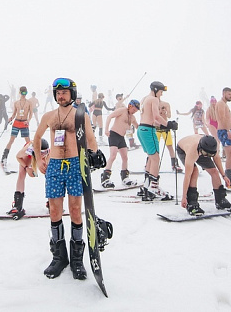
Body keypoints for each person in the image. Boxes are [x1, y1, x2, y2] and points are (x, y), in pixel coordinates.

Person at [31, 78, 103, 281]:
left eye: (64, 92)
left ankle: (77, 259)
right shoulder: (49, 116)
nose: (61, 95)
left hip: (74, 165)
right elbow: (36, 138)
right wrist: (39, 158)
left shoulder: (80, 115)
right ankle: (59, 257)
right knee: (54, 210)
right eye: (58, 92)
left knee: (74, 211)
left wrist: (94, 154)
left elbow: (90, 139)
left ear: (72, 93)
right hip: (54, 165)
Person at [177, 134, 231, 215]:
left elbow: (216, 158)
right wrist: (184, 197)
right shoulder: (193, 150)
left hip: (202, 149)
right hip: (184, 149)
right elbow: (187, 176)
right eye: (205, 154)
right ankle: (191, 202)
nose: (206, 156)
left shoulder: (214, 147)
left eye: (210, 155)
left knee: (214, 172)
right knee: (194, 172)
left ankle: (221, 201)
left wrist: (224, 176)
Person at [137, 81, 171, 200]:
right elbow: (156, 117)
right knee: (156, 158)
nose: (161, 95)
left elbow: (151, 118)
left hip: (142, 129)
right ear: (156, 90)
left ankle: (146, 187)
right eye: (161, 92)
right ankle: (154, 187)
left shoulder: (145, 99)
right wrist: (169, 124)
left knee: (151, 158)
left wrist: (163, 125)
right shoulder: (154, 99)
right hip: (148, 130)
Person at [100, 99, 140, 188]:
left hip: (121, 137)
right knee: (113, 156)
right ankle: (105, 177)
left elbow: (137, 126)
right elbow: (110, 116)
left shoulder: (132, 117)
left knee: (125, 157)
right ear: (130, 106)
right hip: (114, 134)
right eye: (134, 110)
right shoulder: (122, 110)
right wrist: (106, 129)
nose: (134, 112)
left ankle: (125, 177)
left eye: (136, 111)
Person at [8, 138, 50, 218]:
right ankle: (18, 205)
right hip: (30, 156)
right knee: (22, 173)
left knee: (49, 173)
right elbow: (18, 157)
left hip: (39, 154)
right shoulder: (28, 150)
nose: (43, 154)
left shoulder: (47, 154)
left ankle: (51, 201)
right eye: (41, 153)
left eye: (45, 152)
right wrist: (27, 167)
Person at [0, 87, 33, 172]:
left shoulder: (29, 103)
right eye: (22, 93)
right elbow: (14, 113)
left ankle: (32, 158)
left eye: (25, 93)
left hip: (24, 123)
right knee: (11, 140)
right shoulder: (16, 103)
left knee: (28, 142)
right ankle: (4, 158)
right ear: (20, 93)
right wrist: (11, 118)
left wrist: (28, 121)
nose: (23, 94)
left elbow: (31, 113)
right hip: (16, 122)